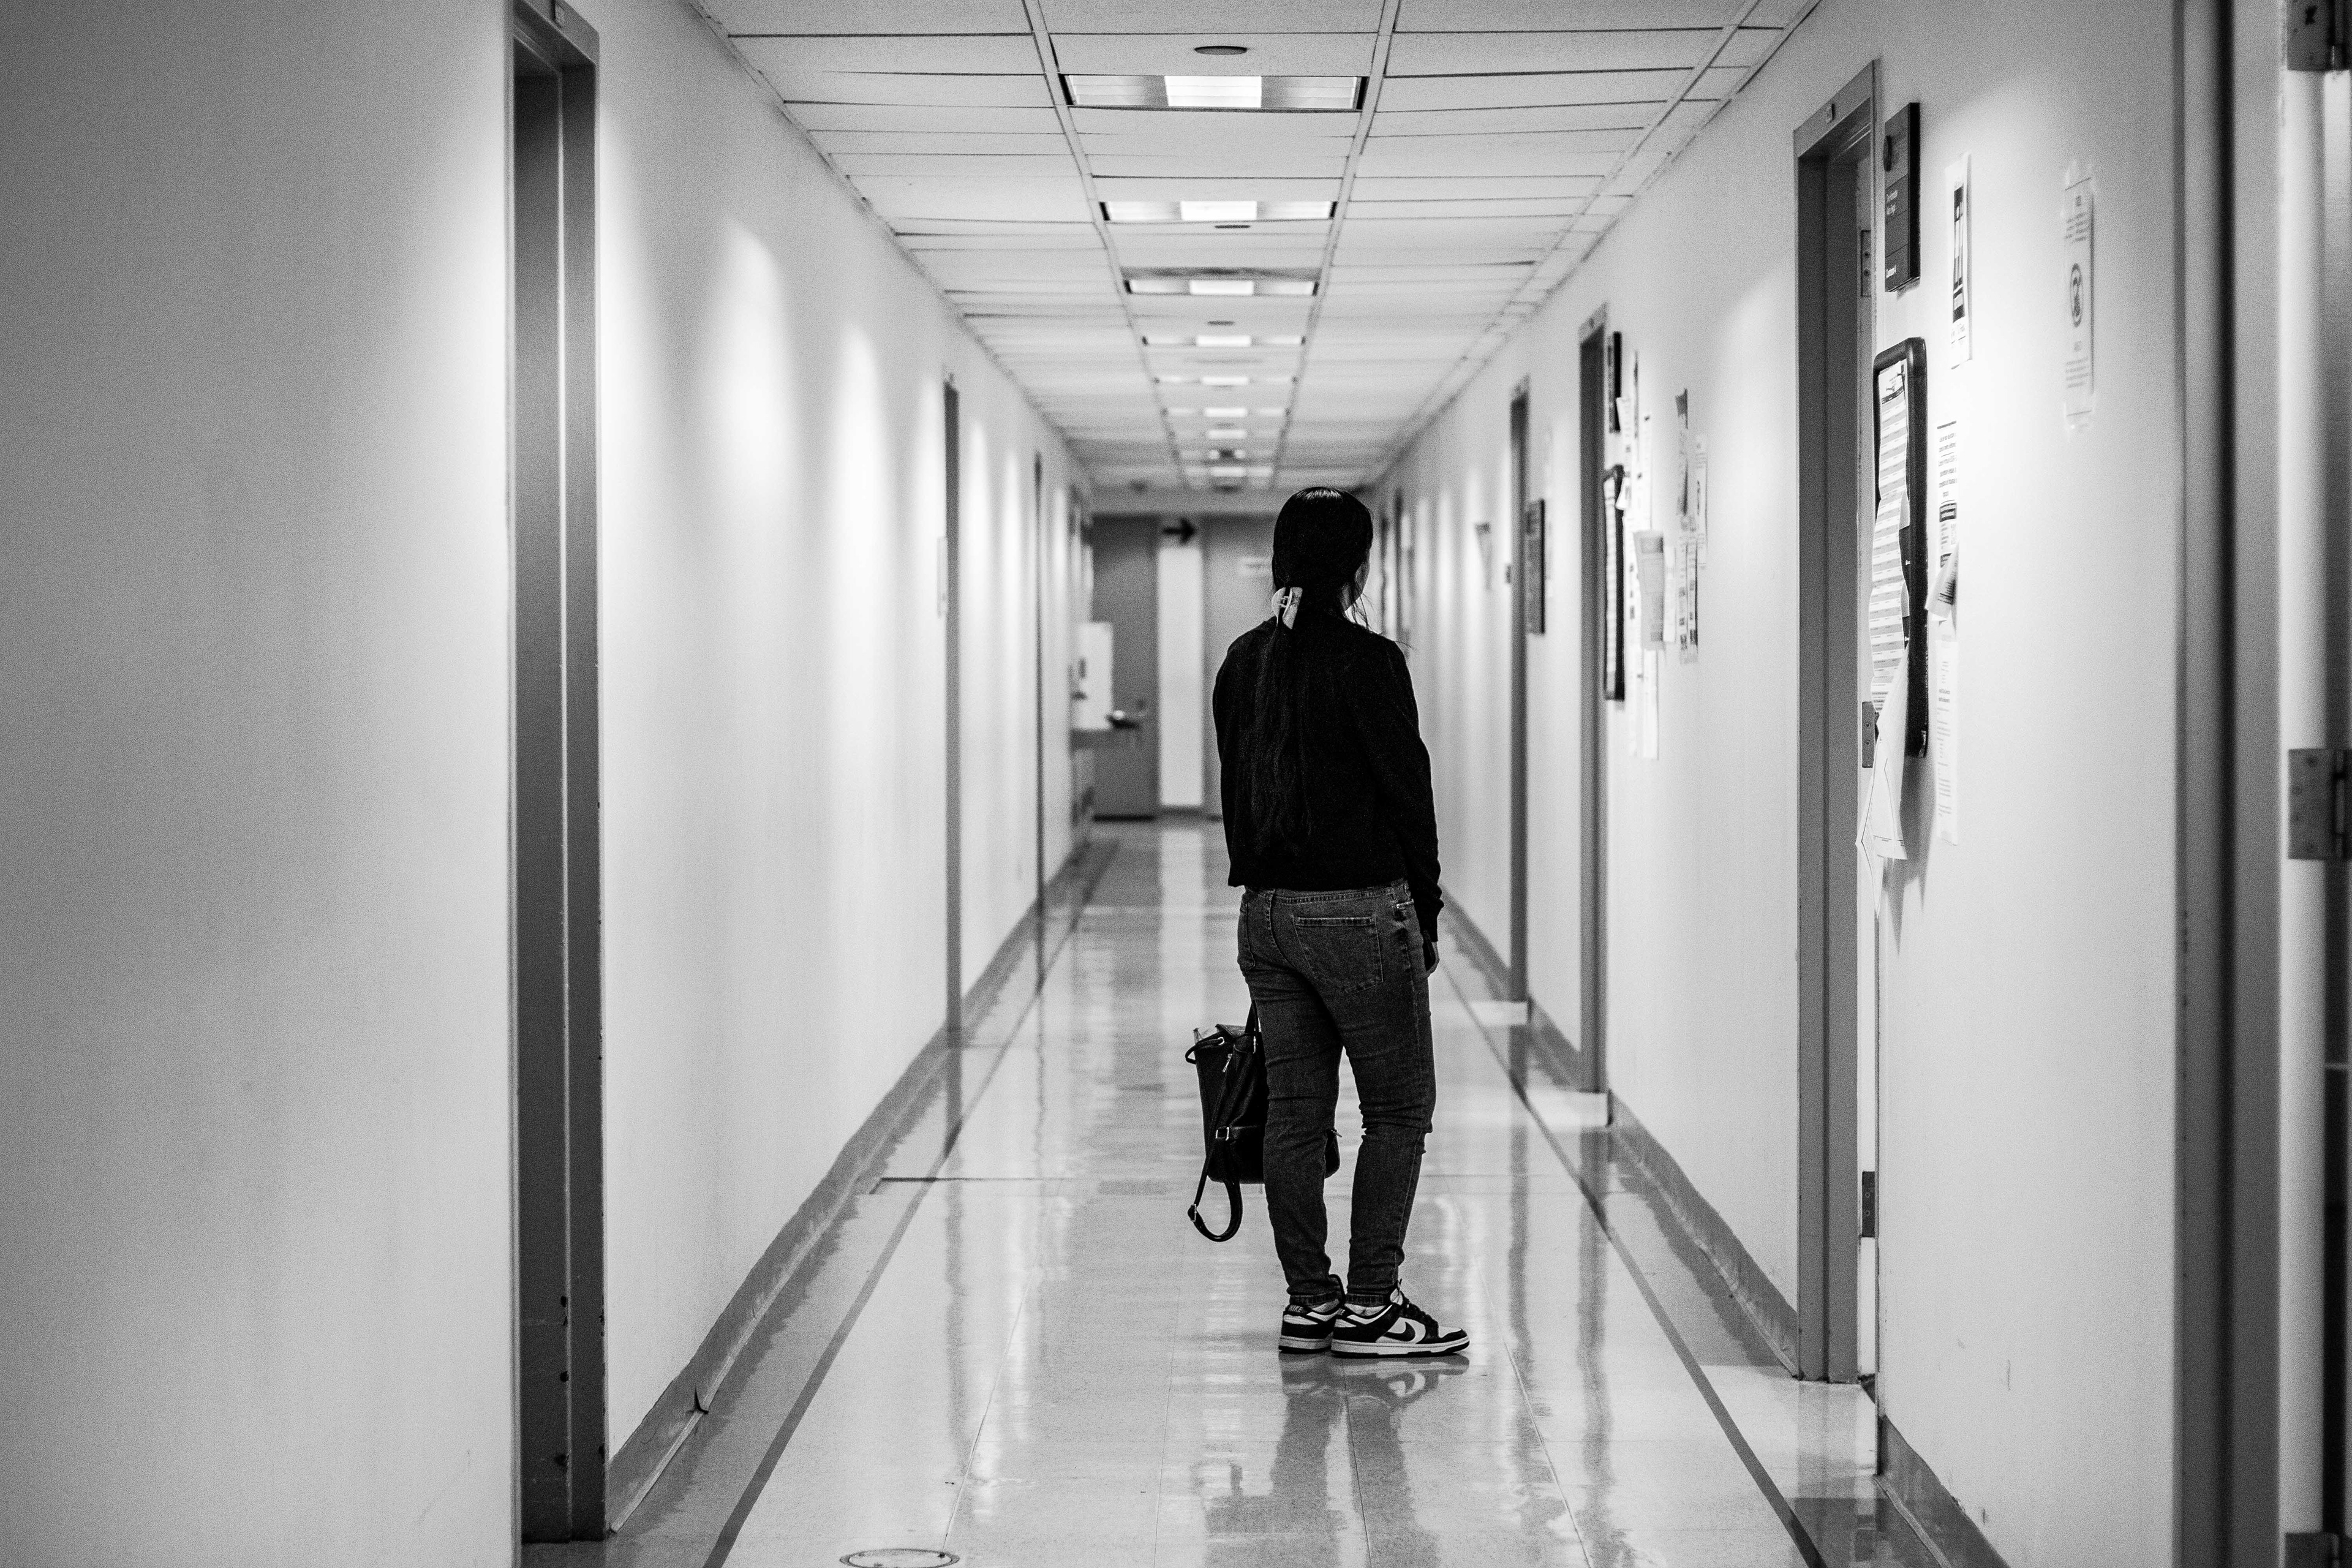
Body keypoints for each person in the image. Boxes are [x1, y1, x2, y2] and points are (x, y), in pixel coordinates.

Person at [1212, 487, 1468, 1359]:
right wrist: (1423, 914)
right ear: (1357, 571)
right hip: (1360, 915)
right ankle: (1369, 1307)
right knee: (1397, 1112)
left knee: (1295, 1114)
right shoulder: (1370, 662)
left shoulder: (1243, 663)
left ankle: (1308, 1302)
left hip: (1267, 919)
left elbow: (1237, 799)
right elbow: (1408, 796)